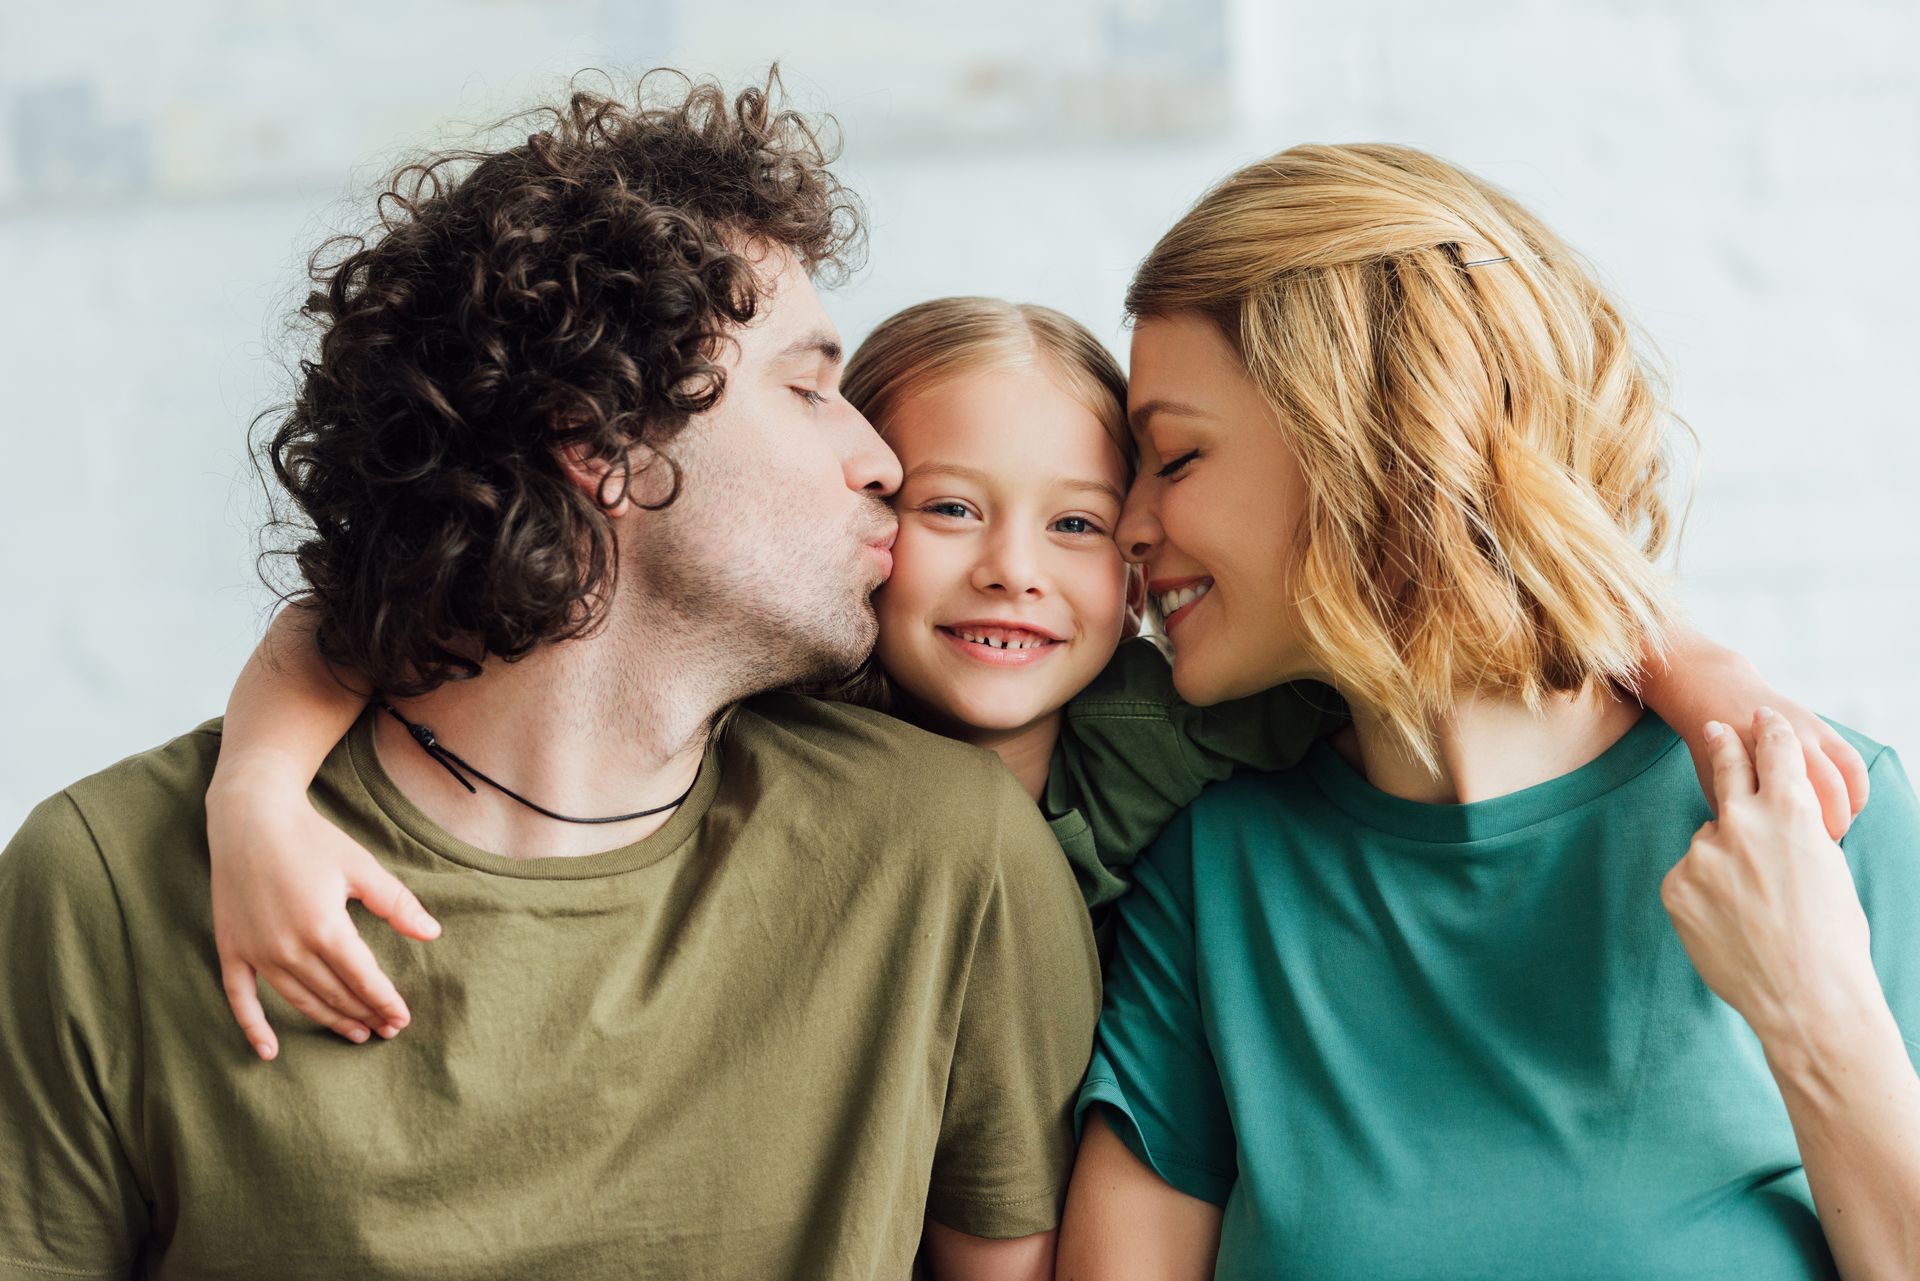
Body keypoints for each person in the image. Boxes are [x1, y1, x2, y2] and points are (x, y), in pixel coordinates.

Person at [0, 74, 1100, 1280]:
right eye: (805, 390)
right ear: (600, 443)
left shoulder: (949, 858)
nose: (881, 459)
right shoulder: (106, 880)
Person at [202, 292, 1860, 1053]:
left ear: (1137, 551)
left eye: (1081, 522)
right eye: (948, 509)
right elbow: (394, 604)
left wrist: (1694, 660)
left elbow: (1458, 616)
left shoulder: (1183, 722)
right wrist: (257, 789)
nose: (1013, 567)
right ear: (863, 516)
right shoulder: (781, 697)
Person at [1054, 142, 1920, 1280]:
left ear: (1364, 439)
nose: (1130, 524)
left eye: (1174, 457)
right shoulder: (1215, 879)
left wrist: (1814, 1008)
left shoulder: (1814, 819)